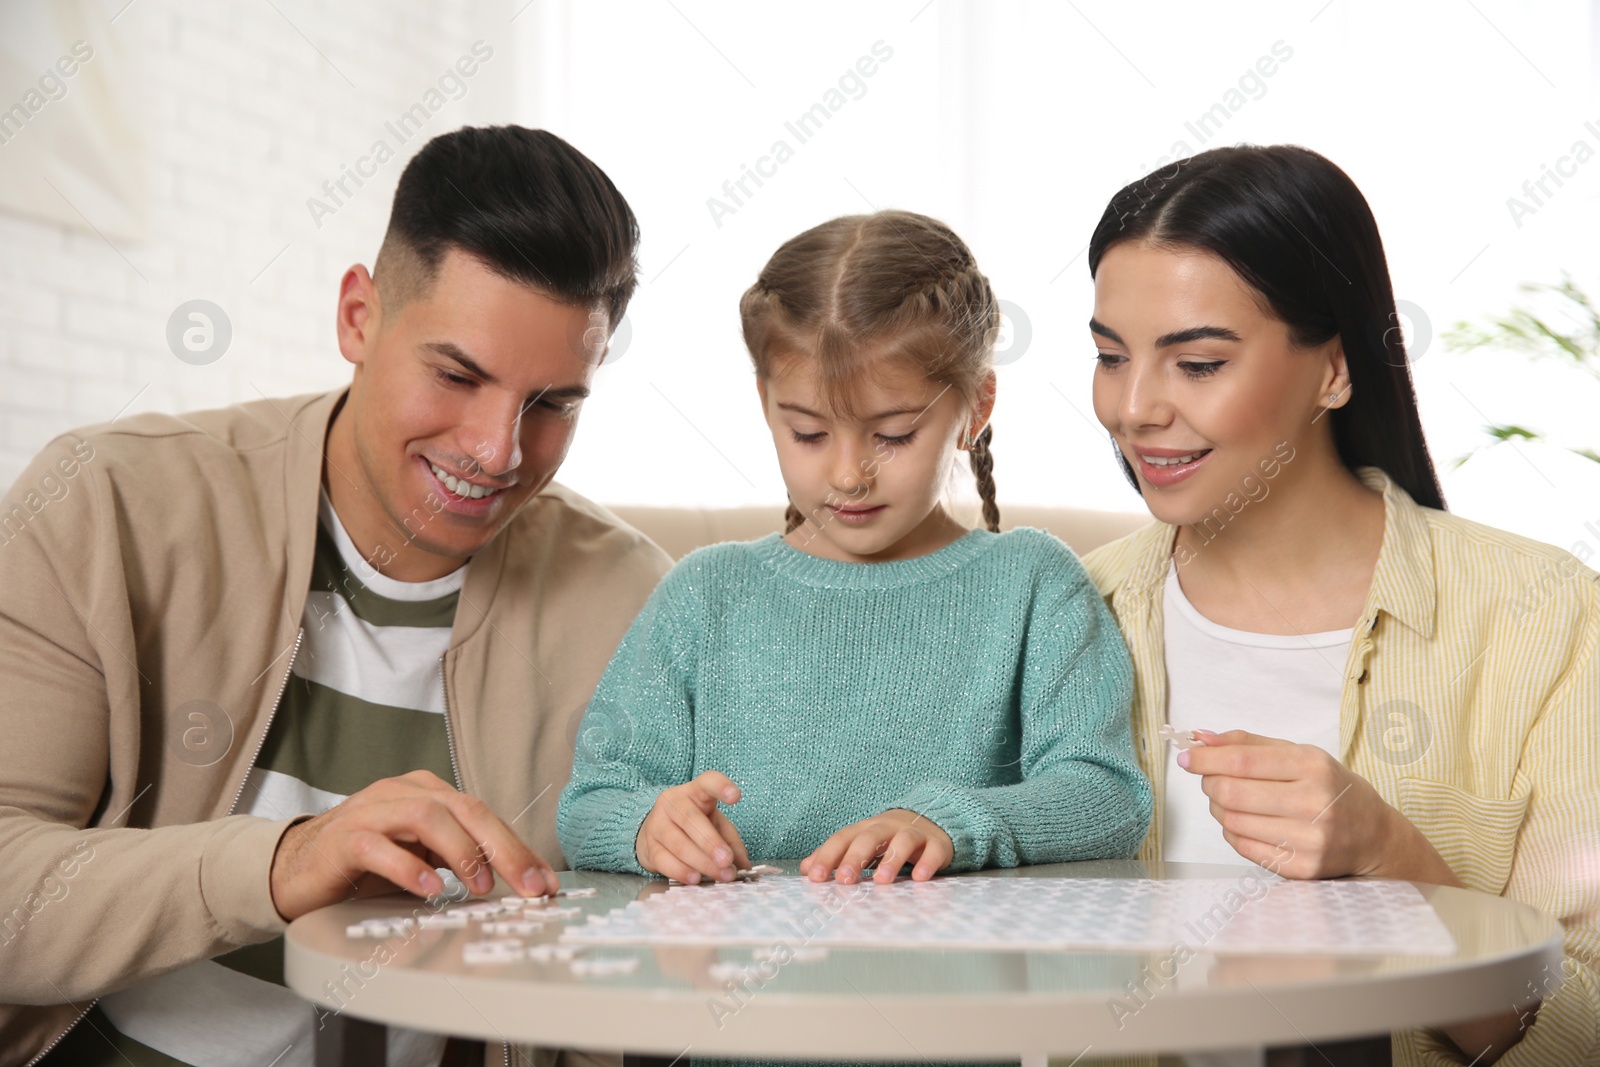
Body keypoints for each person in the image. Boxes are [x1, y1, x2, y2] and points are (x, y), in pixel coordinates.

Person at [0, 125, 671, 1067]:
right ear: (359, 315)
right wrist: (280, 862)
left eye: (553, 404)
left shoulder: (635, 599)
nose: (498, 450)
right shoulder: (105, 505)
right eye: (457, 374)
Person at [1081, 144, 1598, 1066]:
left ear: (1334, 370)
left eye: (1196, 363)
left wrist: (1393, 858)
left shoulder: (1542, 617)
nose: (1135, 408)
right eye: (1111, 357)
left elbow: (1584, 1028)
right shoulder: (1073, 613)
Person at [557, 209, 1151, 901]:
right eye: (808, 432)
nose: (847, 474)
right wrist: (646, 826)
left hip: (957, 983)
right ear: (766, 402)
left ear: (975, 408)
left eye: (893, 434)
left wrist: (955, 822)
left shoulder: (1033, 584)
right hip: (747, 994)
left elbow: (1107, 796)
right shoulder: (705, 594)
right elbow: (592, 802)